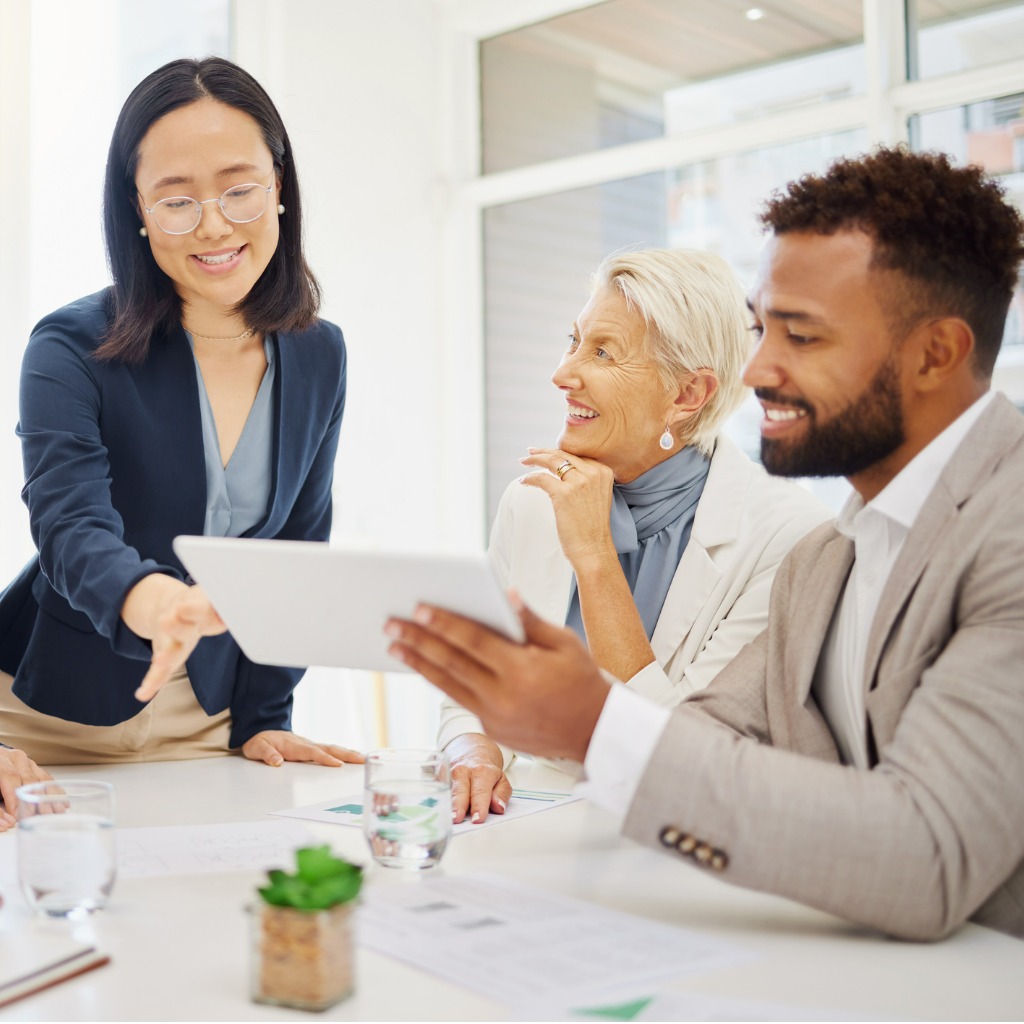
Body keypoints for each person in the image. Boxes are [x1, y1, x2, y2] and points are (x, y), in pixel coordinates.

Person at [387, 146, 1024, 941]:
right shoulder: (832, 559)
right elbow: (701, 749)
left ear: (936, 354)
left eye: (804, 336)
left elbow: (930, 858)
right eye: (762, 331)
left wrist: (589, 721)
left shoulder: (1005, 533)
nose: (755, 370)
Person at [0, 57, 361, 770]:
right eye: (176, 200)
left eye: (239, 190)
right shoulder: (69, 345)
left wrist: (263, 716)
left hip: (208, 723)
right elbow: (69, 525)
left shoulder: (320, 353)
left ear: (279, 188)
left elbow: (294, 546)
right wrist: (152, 600)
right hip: (38, 722)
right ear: (137, 210)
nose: (215, 226)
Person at [440, 248, 830, 823]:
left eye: (602, 353)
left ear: (687, 396)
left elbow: (683, 758)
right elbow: (475, 683)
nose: (562, 373)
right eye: (573, 341)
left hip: (675, 839)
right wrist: (470, 745)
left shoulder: (789, 537)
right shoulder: (532, 503)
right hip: (528, 827)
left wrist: (595, 557)